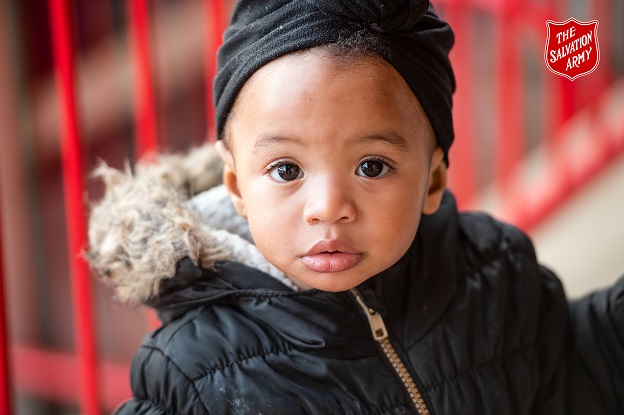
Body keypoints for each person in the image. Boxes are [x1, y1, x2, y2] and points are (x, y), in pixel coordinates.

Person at [87, 0, 624, 413]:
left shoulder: (493, 272)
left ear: (433, 177)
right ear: (235, 184)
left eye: (371, 166)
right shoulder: (195, 378)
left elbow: (575, 367)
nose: (327, 209)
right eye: (287, 170)